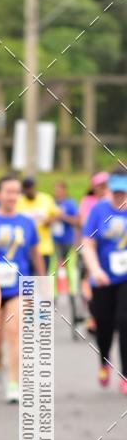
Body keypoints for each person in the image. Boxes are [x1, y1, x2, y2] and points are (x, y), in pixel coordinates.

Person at [0, 174, 45, 402]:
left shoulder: (27, 223)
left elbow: (35, 254)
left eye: (16, 192)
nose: (12, 196)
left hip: (19, 287)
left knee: (15, 332)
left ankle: (14, 383)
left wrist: (42, 284)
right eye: (8, 191)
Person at [81, 166, 127, 393]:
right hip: (103, 278)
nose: (119, 196)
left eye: (123, 191)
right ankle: (104, 361)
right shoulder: (99, 210)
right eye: (115, 191)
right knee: (104, 324)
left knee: (124, 321)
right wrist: (95, 269)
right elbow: (88, 244)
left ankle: (125, 374)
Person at [79, 172, 110, 335]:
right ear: (94, 187)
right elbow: (85, 225)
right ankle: (93, 315)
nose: (103, 188)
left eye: (106, 185)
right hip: (90, 248)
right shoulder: (88, 201)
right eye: (100, 185)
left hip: (109, 250)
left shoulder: (114, 200)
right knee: (88, 279)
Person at [52, 180, 83, 334]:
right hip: (54, 244)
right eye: (55, 189)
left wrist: (63, 217)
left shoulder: (70, 204)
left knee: (71, 274)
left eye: (59, 189)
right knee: (51, 274)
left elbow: (77, 222)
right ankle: (49, 303)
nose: (57, 192)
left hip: (69, 244)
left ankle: (74, 303)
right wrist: (52, 218)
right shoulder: (51, 203)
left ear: (64, 190)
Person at [17, 176, 60, 273]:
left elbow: (57, 214)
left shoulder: (45, 199)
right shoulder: (18, 201)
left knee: (41, 278)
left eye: (31, 188)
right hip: (24, 248)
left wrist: (49, 221)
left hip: (44, 247)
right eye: (27, 188)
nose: (29, 190)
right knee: (26, 280)